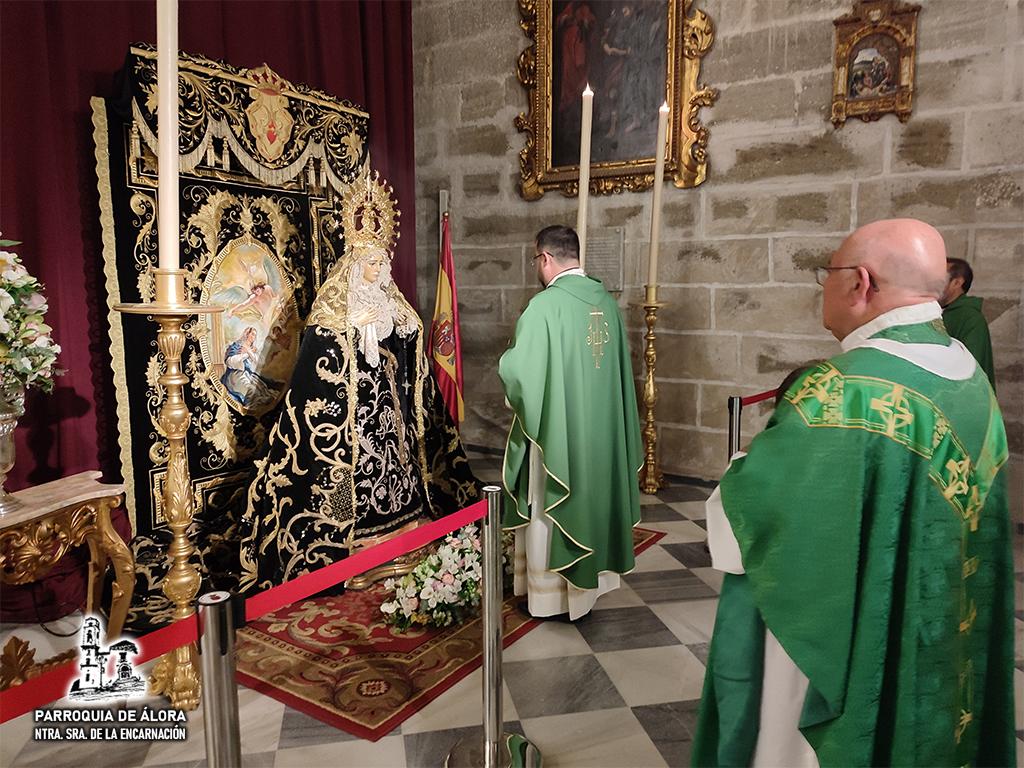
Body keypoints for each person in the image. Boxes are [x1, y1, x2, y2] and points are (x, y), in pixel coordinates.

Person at [694, 219, 1014, 767]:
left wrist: (744, 473)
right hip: (935, 623)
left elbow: (761, 507)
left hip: (841, 637)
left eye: (828, 272)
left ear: (860, 283)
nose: (824, 284)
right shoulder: (966, 372)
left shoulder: (841, 392)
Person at [237, 173, 479, 592]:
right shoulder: (333, 306)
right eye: (371, 263)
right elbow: (318, 351)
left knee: (394, 461)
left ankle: (404, 524)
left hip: (388, 409)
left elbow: (411, 333)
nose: (379, 270)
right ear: (354, 263)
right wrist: (353, 328)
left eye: (382, 263)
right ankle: (359, 536)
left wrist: (395, 326)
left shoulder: (389, 300)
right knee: (362, 470)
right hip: (349, 417)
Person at [499, 225, 642, 621]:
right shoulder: (607, 304)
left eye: (535, 260)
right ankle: (587, 592)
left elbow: (519, 374)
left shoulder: (544, 307)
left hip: (561, 438)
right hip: (601, 437)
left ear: (545, 258)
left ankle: (550, 599)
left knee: (552, 503)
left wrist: (505, 364)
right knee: (594, 497)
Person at [941, 257, 996, 389]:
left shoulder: (971, 318)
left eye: (940, 279)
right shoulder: (940, 312)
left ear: (956, 283)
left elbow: (970, 368)